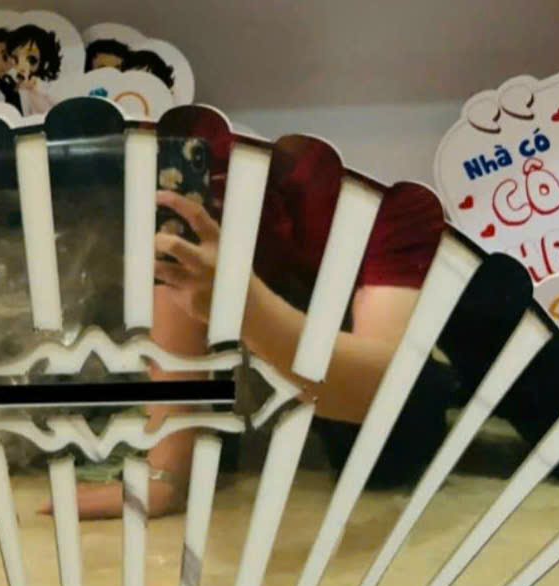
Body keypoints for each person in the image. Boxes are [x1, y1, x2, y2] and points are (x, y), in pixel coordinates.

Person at [57, 135, 448, 519]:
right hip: (282, 305)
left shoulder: (387, 168)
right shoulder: (199, 133)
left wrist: (246, 309)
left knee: (389, 451)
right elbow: (178, 271)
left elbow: (383, 392)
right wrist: (166, 473)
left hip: (370, 315)